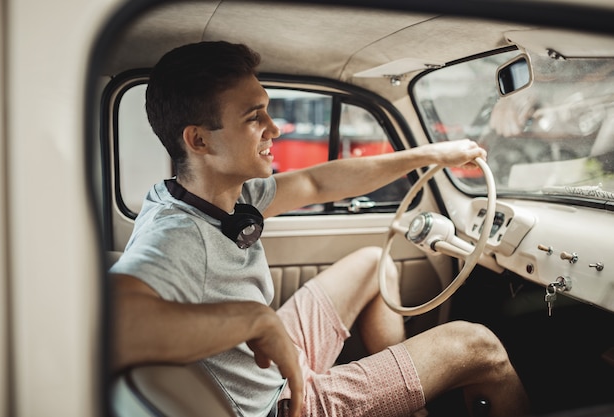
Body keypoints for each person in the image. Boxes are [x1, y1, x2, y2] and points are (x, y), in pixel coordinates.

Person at [109, 41, 530, 417]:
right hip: (282, 404)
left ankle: (406, 405)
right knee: (481, 347)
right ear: (199, 141)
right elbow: (114, 324)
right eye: (254, 118)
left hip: (273, 362)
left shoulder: (220, 196)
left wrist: (430, 155)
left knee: (372, 264)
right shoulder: (177, 236)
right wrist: (254, 321)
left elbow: (318, 182)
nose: (274, 129)